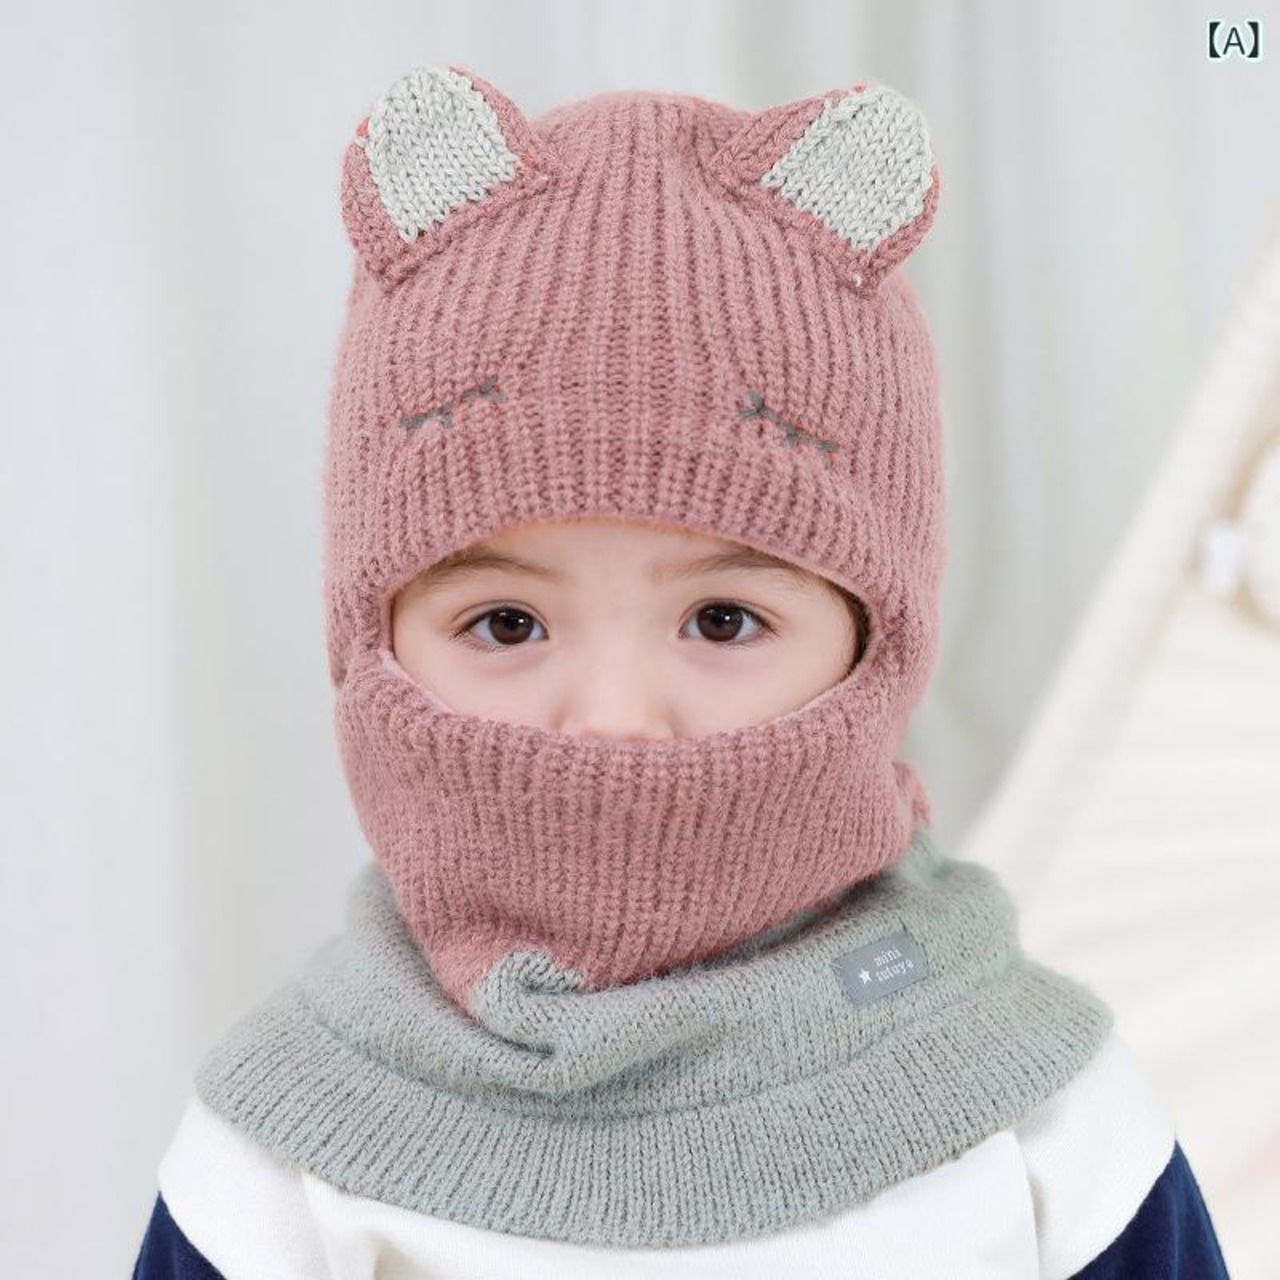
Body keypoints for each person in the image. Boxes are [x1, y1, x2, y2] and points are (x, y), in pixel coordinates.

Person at [132, 64, 1230, 1278]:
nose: (614, 720)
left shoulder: (1042, 1125)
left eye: (719, 618)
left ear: (878, 641)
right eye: (505, 623)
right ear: (369, 642)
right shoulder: (284, 1152)